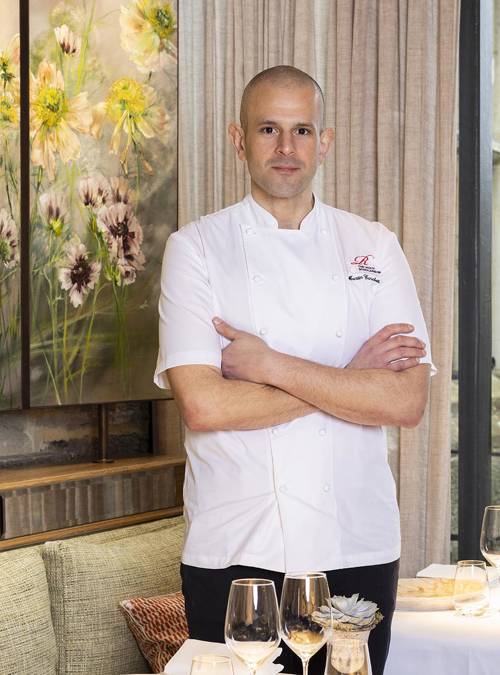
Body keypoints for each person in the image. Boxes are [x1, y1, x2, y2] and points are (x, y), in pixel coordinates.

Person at [154, 65, 434, 675]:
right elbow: (206, 406)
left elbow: (405, 401)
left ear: (324, 142)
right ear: (238, 140)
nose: (287, 147)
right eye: (268, 130)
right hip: (237, 552)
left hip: (356, 544)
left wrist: (270, 365)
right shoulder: (195, 249)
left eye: (302, 130)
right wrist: (351, 376)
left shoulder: (374, 245)